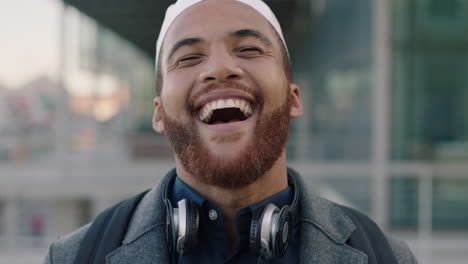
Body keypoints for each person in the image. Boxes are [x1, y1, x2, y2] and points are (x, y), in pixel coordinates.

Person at [43, 0, 417, 263]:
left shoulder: (387, 257)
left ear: (293, 98)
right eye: (189, 58)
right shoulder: (73, 257)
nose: (220, 68)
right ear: (158, 113)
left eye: (250, 49)